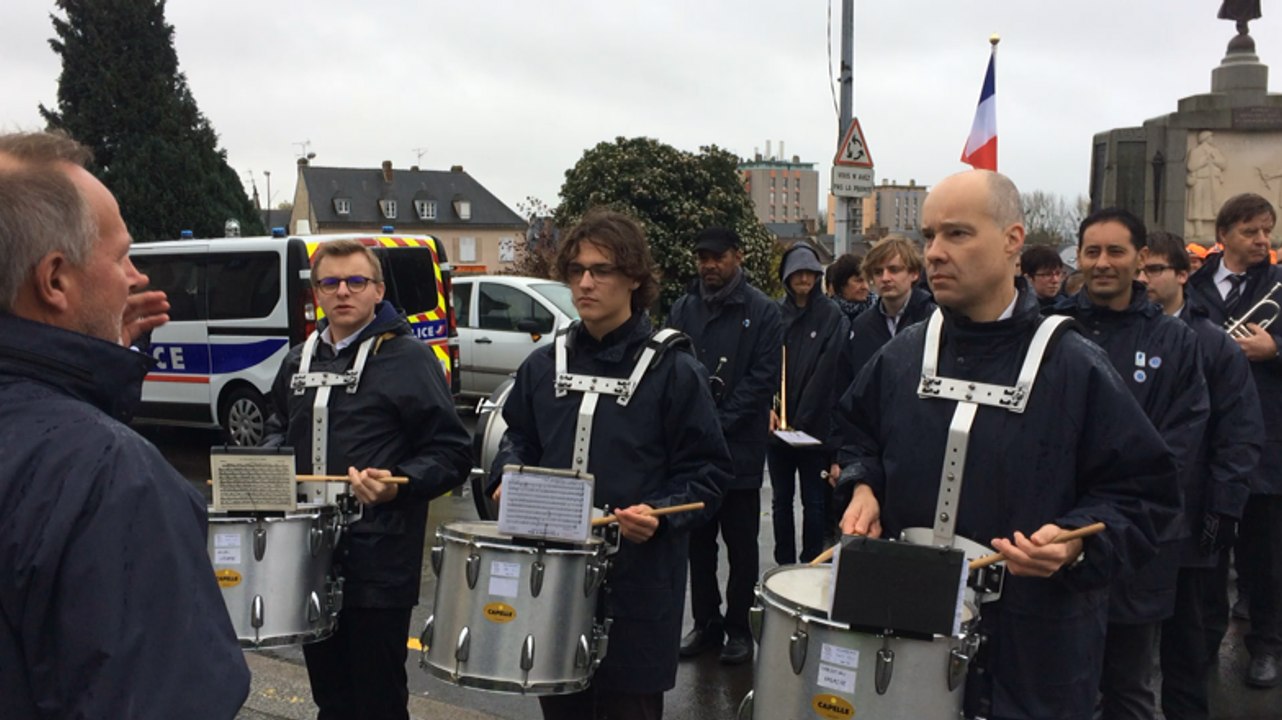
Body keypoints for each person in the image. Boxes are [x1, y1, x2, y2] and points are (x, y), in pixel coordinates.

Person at [836, 170, 1181, 720]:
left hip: (1035, 650)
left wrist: (1077, 544)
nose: (935, 254)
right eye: (929, 237)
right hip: (904, 633)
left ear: (1012, 240)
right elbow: (857, 435)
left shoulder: (1074, 364)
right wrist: (862, 484)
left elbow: (1143, 493)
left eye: (957, 234)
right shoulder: (903, 355)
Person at [0, 130, 250, 717]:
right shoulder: (108, 475)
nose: (137, 277)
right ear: (55, 279)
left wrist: (93, 374)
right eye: (120, 256)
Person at [490, 209, 729, 719]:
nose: (585, 282)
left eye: (601, 270)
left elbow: (708, 474)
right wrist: (506, 477)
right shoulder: (543, 364)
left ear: (635, 278)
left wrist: (661, 514)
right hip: (552, 581)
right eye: (576, 270)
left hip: (638, 588)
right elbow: (519, 438)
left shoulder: (676, 371)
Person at [263, 238, 472, 719]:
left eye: (356, 281)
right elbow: (276, 427)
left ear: (378, 290)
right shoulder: (299, 359)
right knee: (330, 697)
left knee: (377, 701)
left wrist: (399, 479)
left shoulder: (409, 359)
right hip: (309, 558)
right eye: (330, 283)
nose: (343, 292)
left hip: (379, 562)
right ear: (315, 292)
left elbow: (452, 452)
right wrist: (271, 466)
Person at [1052, 208, 1210, 720]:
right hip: (1056, 540)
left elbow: (1180, 444)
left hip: (1134, 546)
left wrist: (1125, 517)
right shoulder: (1050, 331)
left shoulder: (1174, 340)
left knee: (1127, 686)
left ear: (1140, 259)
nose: (1102, 263)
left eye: (1115, 251)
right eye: (1092, 251)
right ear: (1078, 257)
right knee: (1055, 683)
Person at [1141, 230, 1264, 718]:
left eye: (1154, 270)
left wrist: (1224, 506)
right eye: (1141, 270)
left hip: (1193, 518)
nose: (1144, 280)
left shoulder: (1213, 344)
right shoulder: (1121, 332)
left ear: (1183, 274)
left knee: (1188, 644)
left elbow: (1239, 432)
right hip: (1133, 516)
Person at [666, 226, 781, 665]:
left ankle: (738, 628)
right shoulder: (684, 307)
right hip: (694, 453)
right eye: (702, 257)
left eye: (716, 257)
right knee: (699, 544)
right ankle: (706, 624)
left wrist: (719, 421)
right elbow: (671, 367)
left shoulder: (764, 311)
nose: (708, 265)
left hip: (740, 453)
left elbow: (762, 377)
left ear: (738, 256)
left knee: (741, 546)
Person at [1185, 192, 1282, 689]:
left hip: (1267, 440)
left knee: (1265, 557)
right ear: (1224, 236)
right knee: (1207, 552)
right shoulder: (1195, 285)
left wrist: (1275, 348)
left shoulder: (1280, 285)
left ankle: (1265, 644)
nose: (1263, 239)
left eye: (1267, 229)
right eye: (1251, 231)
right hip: (1206, 440)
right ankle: (1201, 646)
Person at [768, 243, 849, 565]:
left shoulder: (831, 315)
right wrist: (768, 406)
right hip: (777, 433)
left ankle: (811, 561)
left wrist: (805, 417)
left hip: (814, 431)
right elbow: (764, 364)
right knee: (780, 501)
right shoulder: (775, 314)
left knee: (814, 502)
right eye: (797, 272)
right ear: (786, 277)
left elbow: (830, 374)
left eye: (809, 273)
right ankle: (783, 563)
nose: (803, 279)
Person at [844, 235, 935, 374]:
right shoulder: (861, 327)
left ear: (914, 274)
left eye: (894, 270)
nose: (885, 278)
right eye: (878, 272)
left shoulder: (934, 321)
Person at [825, 252, 876, 324]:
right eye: (859, 281)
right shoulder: (826, 315)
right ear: (842, 283)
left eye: (868, 281)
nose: (865, 287)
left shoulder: (880, 313)